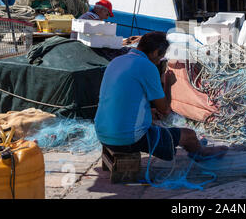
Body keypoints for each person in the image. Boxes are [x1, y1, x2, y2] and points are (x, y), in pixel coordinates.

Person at [94, 31, 228, 162]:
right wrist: (168, 85)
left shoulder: (116, 61)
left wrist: (149, 111)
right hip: (126, 139)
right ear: (155, 51)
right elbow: (165, 110)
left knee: (152, 119)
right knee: (190, 136)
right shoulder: (147, 66)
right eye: (159, 57)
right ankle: (201, 154)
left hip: (102, 133)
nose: (158, 62)